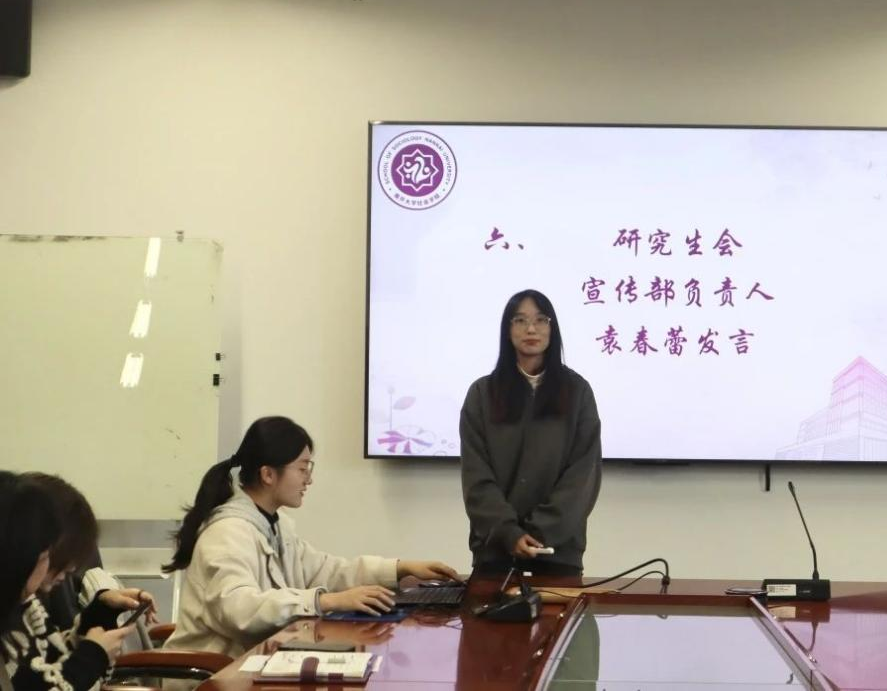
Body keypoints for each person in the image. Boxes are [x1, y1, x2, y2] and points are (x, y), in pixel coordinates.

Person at [163, 416, 459, 656]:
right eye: (303, 469)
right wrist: (327, 601)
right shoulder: (228, 532)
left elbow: (326, 570)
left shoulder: (275, 525)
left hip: (255, 662)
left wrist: (400, 568)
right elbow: (240, 610)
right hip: (213, 675)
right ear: (268, 475)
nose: (309, 479)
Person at [460, 289, 602, 576]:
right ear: (507, 330)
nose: (531, 329)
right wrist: (508, 533)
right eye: (520, 320)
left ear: (552, 328)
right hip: (495, 552)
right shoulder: (483, 394)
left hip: (558, 553)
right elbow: (476, 476)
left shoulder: (577, 391)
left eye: (540, 320)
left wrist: (540, 532)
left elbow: (583, 475)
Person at [1, 473, 137, 691]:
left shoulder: (24, 605)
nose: (72, 569)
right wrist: (91, 658)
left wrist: (96, 617)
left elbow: (46, 669)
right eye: (45, 554)